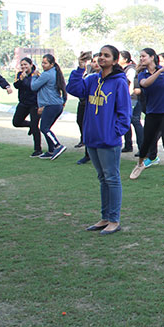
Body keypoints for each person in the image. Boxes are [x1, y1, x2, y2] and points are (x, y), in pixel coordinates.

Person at [66, 45, 132, 234]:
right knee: (102, 178)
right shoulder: (93, 79)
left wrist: (113, 133)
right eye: (100, 55)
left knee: (112, 178)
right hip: (92, 138)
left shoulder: (119, 82)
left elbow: (124, 113)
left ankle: (114, 220)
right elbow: (74, 88)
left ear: (114, 60)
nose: (101, 58)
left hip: (108, 140)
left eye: (106, 55)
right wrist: (80, 67)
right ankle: (105, 217)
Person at [130, 48, 164, 188]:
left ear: (152, 57)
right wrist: (160, 71)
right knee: (147, 140)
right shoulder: (143, 74)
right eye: (140, 56)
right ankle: (140, 164)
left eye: (143, 56)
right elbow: (145, 84)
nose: (141, 58)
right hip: (153, 112)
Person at [28, 53, 68, 161]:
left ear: (52, 64)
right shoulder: (54, 72)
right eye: (42, 62)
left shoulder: (47, 74)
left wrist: (35, 76)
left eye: (45, 63)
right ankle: (51, 151)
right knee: (46, 128)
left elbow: (33, 86)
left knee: (44, 128)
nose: (43, 65)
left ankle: (57, 146)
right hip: (56, 105)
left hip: (52, 105)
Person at [12, 57, 43, 157]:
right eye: (22, 65)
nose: (24, 67)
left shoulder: (37, 74)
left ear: (31, 64)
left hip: (34, 103)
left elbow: (39, 86)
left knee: (35, 127)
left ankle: (38, 149)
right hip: (23, 103)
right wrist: (22, 78)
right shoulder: (19, 74)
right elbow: (16, 85)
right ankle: (31, 125)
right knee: (16, 122)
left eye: (25, 64)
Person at [118, 51, 140, 154]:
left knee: (134, 121)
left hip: (132, 98)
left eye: (119, 57)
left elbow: (131, 84)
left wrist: (127, 97)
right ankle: (128, 145)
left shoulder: (131, 69)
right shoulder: (124, 69)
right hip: (129, 98)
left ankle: (142, 148)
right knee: (127, 120)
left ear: (125, 59)